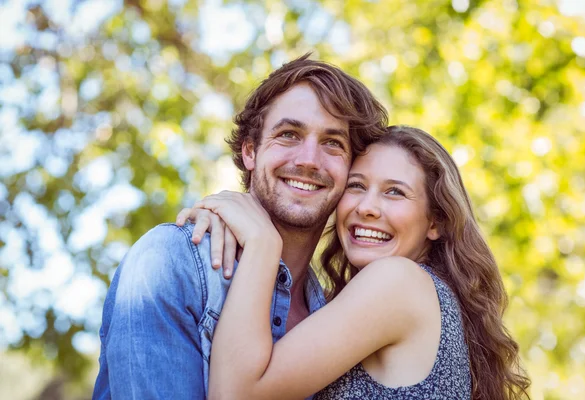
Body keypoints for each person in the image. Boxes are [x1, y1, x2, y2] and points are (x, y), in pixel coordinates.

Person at [91, 54, 388, 399]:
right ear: (250, 151)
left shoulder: (333, 313)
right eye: (289, 135)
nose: (308, 159)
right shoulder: (170, 262)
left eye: (332, 143)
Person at [182, 126, 530, 399]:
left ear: (436, 222)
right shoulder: (422, 296)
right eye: (356, 185)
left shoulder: (398, 283)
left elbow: (236, 395)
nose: (366, 207)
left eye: (394, 192)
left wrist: (261, 243)